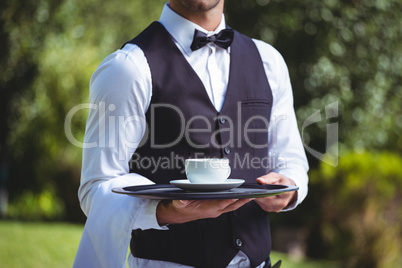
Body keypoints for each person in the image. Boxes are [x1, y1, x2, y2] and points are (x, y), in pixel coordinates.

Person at [73, 0, 308, 267]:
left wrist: (288, 189)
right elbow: (96, 190)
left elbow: (291, 161)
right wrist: (167, 212)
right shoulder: (127, 68)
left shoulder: (270, 61)